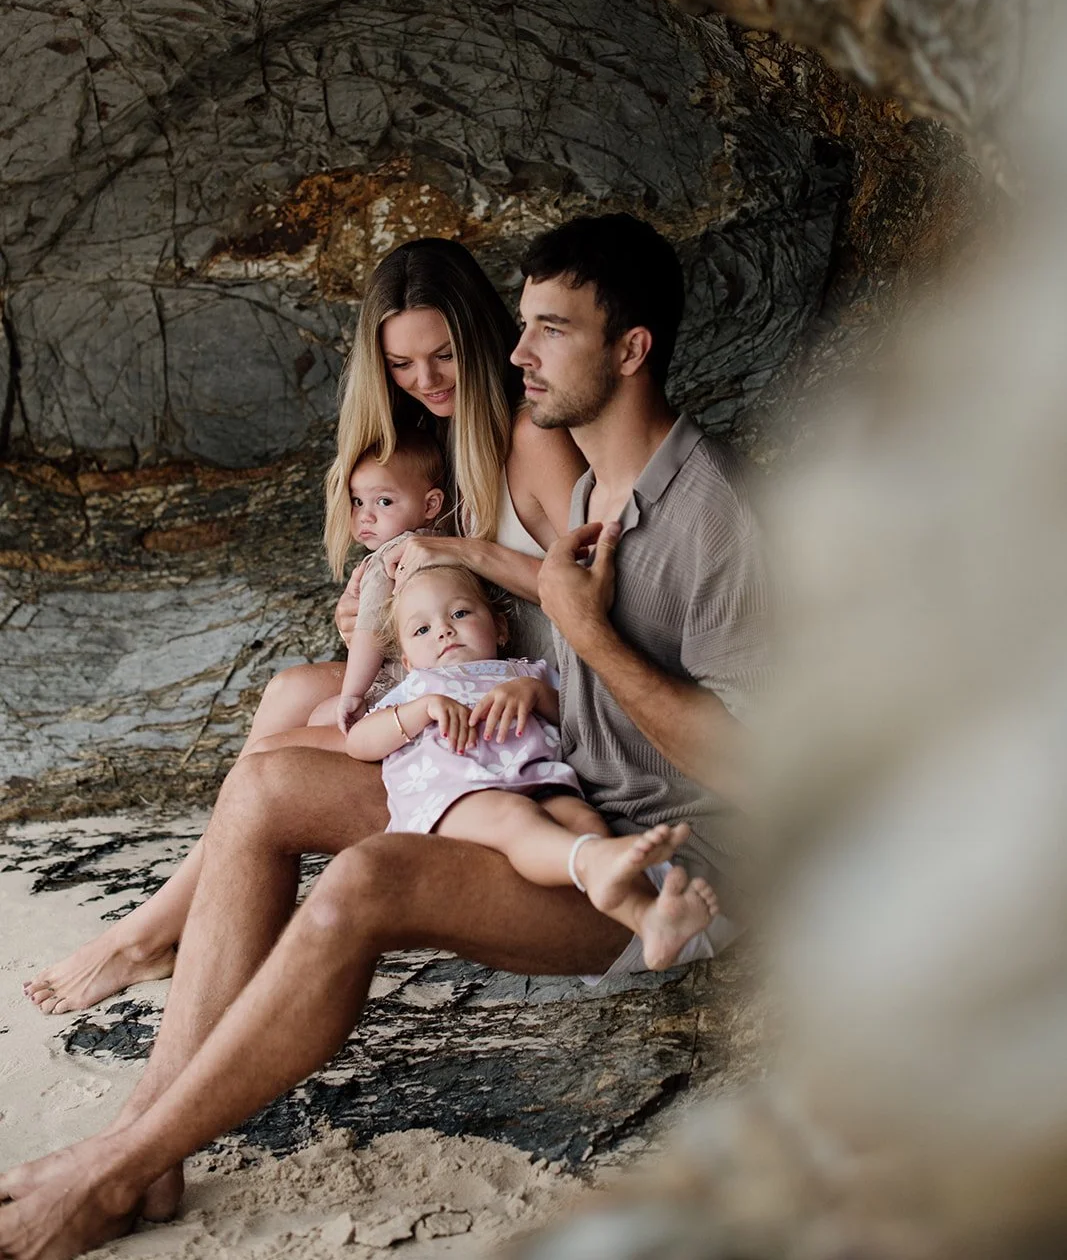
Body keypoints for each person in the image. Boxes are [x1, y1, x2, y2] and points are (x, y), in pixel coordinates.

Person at [0, 214, 770, 1259]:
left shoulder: (717, 517)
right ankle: (142, 1144)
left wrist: (575, 628)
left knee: (365, 882)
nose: (515, 353)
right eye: (521, 325)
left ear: (629, 349)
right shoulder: (598, 484)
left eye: (548, 330)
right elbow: (556, 640)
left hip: (657, 863)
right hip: (545, 773)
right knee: (266, 784)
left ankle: (109, 1173)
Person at [24, 239, 583, 1016]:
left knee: (270, 764)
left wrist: (462, 553)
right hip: (458, 661)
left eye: (444, 356)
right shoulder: (432, 441)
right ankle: (166, 927)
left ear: (483, 340)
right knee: (290, 692)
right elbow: (436, 583)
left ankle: (150, 935)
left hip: (529, 689)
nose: (425, 381)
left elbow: (588, 589)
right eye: (401, 364)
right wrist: (371, 617)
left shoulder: (531, 434)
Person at [349, 561, 718, 970]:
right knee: (516, 818)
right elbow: (359, 741)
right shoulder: (416, 689)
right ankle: (590, 861)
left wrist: (536, 693)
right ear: (408, 661)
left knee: (584, 821)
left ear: (500, 628)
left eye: (460, 613)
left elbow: (578, 720)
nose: (444, 631)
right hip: (458, 796)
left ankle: (648, 919)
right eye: (422, 630)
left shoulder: (528, 672)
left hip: (540, 780)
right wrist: (420, 710)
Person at [320, 433, 446, 732]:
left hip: (406, 682)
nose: (366, 516)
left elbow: (370, 631)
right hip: (446, 674)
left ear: (430, 505)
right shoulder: (444, 543)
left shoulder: (386, 560)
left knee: (320, 718)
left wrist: (353, 694)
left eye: (384, 501)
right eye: (357, 501)